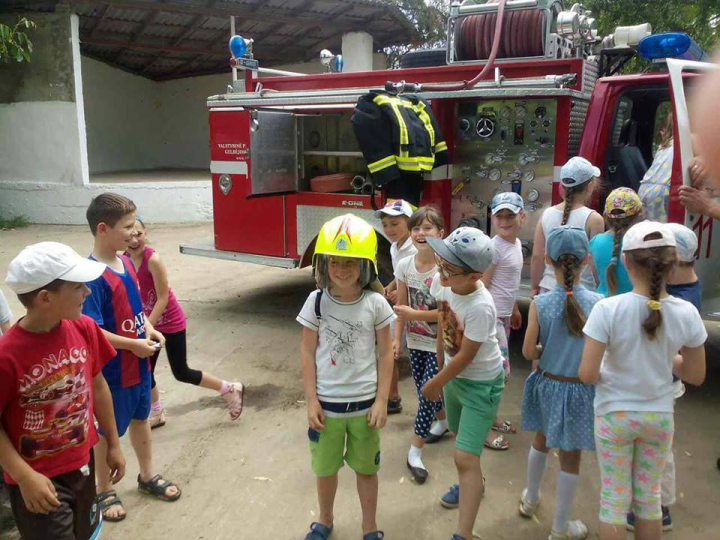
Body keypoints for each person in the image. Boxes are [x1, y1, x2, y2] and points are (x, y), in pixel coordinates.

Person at [580, 221, 707, 540]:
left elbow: (587, 374)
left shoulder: (606, 309)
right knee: (649, 502)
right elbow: (694, 374)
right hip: (659, 418)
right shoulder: (687, 313)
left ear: (624, 261)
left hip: (613, 416)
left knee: (612, 501)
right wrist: (667, 357)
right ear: (673, 265)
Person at [0, 242, 125, 540]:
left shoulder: (84, 328)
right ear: (45, 297)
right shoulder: (7, 355)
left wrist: (114, 443)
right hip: (38, 480)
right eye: (79, 287)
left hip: (82, 464)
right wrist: (23, 476)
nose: (88, 292)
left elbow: (98, 385)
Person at [81, 193, 181, 522]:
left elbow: (135, 307)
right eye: (126, 227)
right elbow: (91, 331)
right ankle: (102, 489)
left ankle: (147, 475)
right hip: (110, 373)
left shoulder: (124, 261)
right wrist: (131, 344)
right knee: (105, 432)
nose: (133, 232)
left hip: (137, 365)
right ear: (102, 229)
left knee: (141, 418)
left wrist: (149, 329)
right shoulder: (89, 275)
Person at [297, 214, 394, 540]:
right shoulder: (316, 302)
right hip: (327, 407)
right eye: (334, 262)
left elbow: (385, 354)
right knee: (325, 471)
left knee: (367, 470)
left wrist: (382, 400)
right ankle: (324, 520)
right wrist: (311, 400)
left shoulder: (376, 304)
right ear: (323, 264)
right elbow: (307, 353)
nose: (341, 269)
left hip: (365, 408)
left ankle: (370, 526)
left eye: (350, 262)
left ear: (366, 265)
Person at [520, 226, 603, 540]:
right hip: (579, 391)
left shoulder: (541, 304)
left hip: (546, 384)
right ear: (585, 261)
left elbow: (529, 351)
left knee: (540, 441)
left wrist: (544, 349)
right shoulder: (598, 303)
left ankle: (530, 498)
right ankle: (559, 527)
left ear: (549, 262)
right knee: (571, 456)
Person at [423, 227, 505, 540]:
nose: (440, 269)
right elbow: (444, 320)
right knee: (461, 441)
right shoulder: (443, 283)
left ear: (474, 276)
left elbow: (467, 357)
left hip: (480, 384)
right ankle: (474, 484)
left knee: (465, 457)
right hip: (454, 380)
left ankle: (464, 533)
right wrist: (439, 362)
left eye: (450, 267)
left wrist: (436, 381)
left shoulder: (482, 306)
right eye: (441, 260)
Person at [125, 218, 243, 428]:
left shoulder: (153, 260)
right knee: (145, 370)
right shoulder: (124, 260)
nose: (134, 240)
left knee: (181, 372)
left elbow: (162, 298)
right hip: (148, 324)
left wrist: (147, 328)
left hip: (170, 323)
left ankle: (228, 389)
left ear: (146, 233)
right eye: (130, 235)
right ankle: (157, 411)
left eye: (139, 234)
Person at [625, 223, 701, 532]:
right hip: (656, 388)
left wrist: (658, 354)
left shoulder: (684, 304)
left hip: (658, 387)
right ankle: (649, 504)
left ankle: (659, 506)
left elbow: (685, 360)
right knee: (654, 449)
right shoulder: (680, 296)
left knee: (658, 453)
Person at [393, 205, 446, 484]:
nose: (421, 233)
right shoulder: (404, 266)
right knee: (424, 389)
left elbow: (446, 313)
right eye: (416, 228)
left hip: (438, 344)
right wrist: (396, 339)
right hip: (415, 341)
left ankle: (415, 451)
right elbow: (401, 307)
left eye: (427, 228)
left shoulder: (445, 269)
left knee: (426, 392)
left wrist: (415, 315)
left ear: (440, 233)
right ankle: (444, 421)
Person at [481, 192, 525, 451]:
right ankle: (484, 429)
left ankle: (492, 417)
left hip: (505, 316)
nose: (506, 221)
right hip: (492, 318)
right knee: (495, 374)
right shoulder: (493, 248)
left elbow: (510, 283)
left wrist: (516, 308)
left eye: (511, 215)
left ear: (523, 216)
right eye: (500, 216)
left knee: (499, 375)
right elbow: (483, 286)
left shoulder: (516, 245)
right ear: (492, 218)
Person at [531, 157, 604, 295]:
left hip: (549, 288)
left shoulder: (546, 214)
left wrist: (535, 286)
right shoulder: (594, 219)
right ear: (590, 186)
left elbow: (537, 255)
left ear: (562, 186)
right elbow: (595, 262)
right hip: (583, 290)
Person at [375, 198, 416, 415]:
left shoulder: (414, 248)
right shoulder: (394, 247)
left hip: (412, 310)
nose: (389, 229)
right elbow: (399, 275)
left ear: (409, 222)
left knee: (393, 350)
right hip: (399, 308)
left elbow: (414, 280)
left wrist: (397, 294)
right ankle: (392, 397)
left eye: (395, 223)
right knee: (388, 350)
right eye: (385, 225)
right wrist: (388, 286)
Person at [589, 187, 644, 297]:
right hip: (634, 305)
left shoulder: (595, 242)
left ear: (605, 215)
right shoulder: (642, 242)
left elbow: (595, 277)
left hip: (602, 303)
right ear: (640, 214)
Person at [638, 114, 673, 222]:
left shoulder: (664, 145)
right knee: (660, 231)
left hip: (644, 188)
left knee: (646, 228)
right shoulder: (688, 142)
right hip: (662, 191)